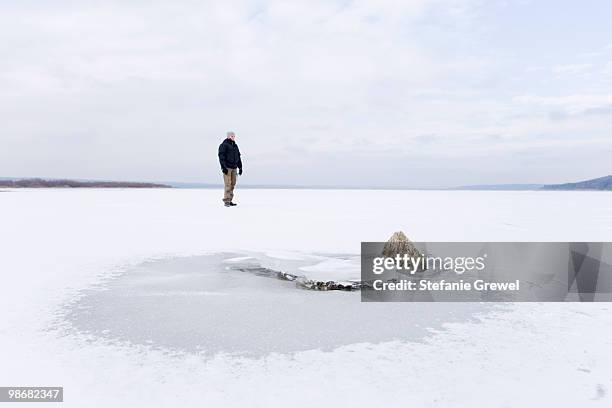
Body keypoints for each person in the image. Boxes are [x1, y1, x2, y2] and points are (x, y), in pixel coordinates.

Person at [218, 131, 243, 207]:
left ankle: (230, 200)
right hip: (227, 168)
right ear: (228, 136)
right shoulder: (224, 145)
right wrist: (223, 167)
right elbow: (221, 157)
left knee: (232, 184)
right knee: (228, 184)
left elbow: (238, 157)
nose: (233, 137)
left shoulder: (235, 146)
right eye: (232, 136)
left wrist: (240, 167)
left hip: (234, 168)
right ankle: (226, 201)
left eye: (234, 136)